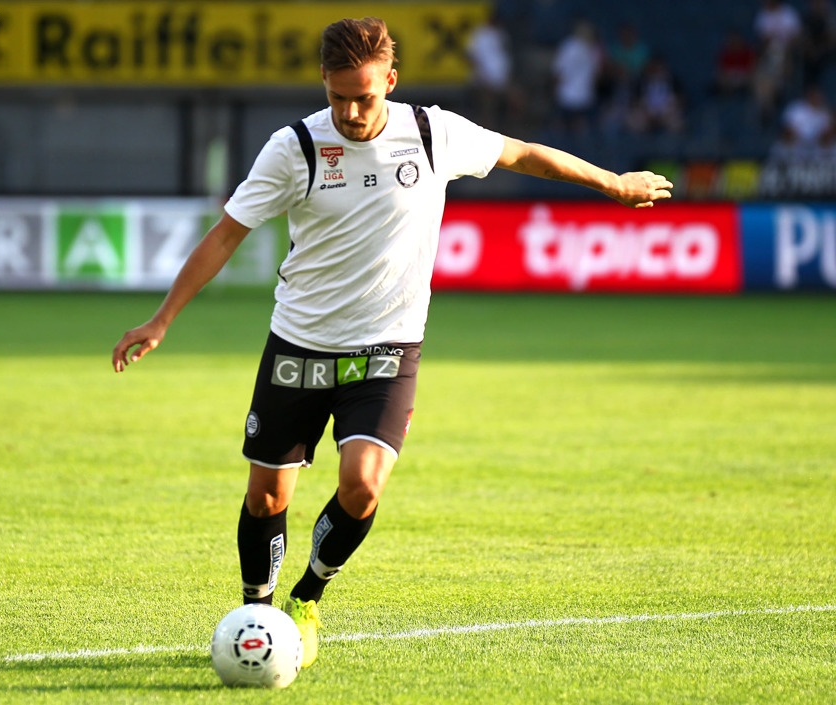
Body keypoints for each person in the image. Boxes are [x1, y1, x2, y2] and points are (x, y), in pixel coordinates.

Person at [111, 16, 673, 669]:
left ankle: (305, 598)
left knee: (362, 484)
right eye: (338, 95)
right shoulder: (293, 148)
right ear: (323, 82)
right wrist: (162, 318)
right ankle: (255, 612)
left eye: (366, 96)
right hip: (300, 343)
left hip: (386, 345)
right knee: (267, 495)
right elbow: (225, 236)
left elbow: (521, 152)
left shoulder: (432, 133)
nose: (351, 110)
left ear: (391, 82)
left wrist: (613, 184)